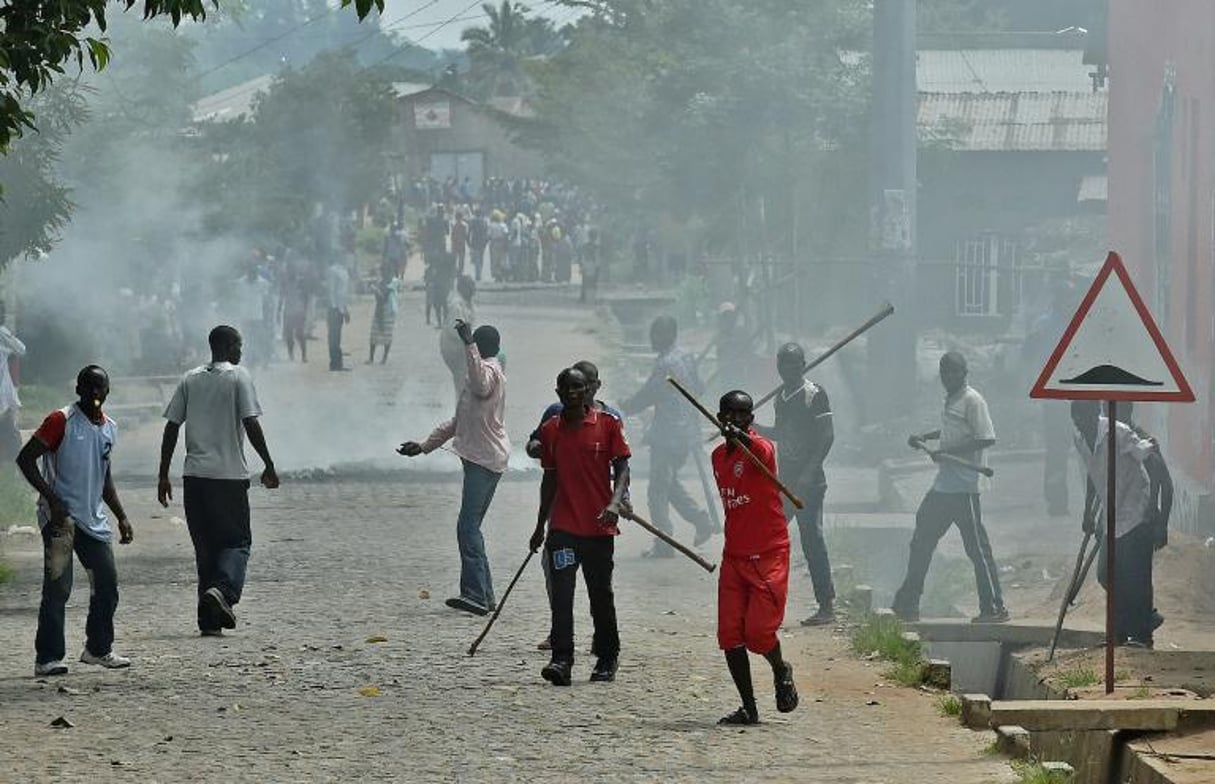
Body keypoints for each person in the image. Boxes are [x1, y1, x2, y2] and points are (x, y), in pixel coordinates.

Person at [158, 326, 280, 636]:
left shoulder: (190, 378)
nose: (241, 350)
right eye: (238, 344)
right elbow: (250, 422)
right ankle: (222, 592)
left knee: (206, 548)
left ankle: (208, 620)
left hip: (194, 478)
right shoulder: (239, 376)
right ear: (226, 345)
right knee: (237, 543)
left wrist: (163, 473)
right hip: (228, 478)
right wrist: (268, 463)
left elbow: (171, 426)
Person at [19, 366, 134, 676]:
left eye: (101, 388)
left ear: (108, 391)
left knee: (107, 586)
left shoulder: (109, 427)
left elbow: (104, 476)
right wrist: (52, 499)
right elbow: (25, 458)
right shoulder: (61, 421)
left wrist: (121, 515)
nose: (96, 394)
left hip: (93, 522)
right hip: (60, 521)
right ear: (79, 390)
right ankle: (48, 658)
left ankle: (98, 649)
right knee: (58, 588)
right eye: (90, 388)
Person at [529, 366, 631, 686]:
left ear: (589, 390)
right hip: (563, 529)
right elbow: (550, 478)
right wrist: (539, 526)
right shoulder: (550, 430)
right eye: (567, 388)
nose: (573, 393)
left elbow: (623, 467)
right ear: (558, 392)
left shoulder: (609, 425)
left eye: (579, 388)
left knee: (600, 594)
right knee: (562, 593)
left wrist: (615, 503)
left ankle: (607, 656)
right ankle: (562, 659)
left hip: (599, 528)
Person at [398, 322, 508, 616]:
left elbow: (482, 383)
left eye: (473, 345)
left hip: (484, 460)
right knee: (471, 528)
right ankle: (485, 595)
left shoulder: (490, 373)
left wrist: (468, 343)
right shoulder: (477, 379)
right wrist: (423, 446)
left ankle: (475, 594)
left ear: (481, 347)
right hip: (483, 459)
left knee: (467, 528)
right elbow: (456, 423)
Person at [891, 352, 1007, 623]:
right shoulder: (952, 400)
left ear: (964, 373)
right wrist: (925, 437)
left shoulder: (973, 400)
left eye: (954, 373)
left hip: (965, 487)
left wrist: (949, 451)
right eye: (945, 373)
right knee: (921, 539)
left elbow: (986, 438)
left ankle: (994, 608)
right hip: (944, 486)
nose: (949, 378)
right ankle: (908, 601)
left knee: (977, 549)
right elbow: (951, 432)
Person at [711, 390, 799, 725]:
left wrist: (744, 438)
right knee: (730, 635)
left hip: (768, 554)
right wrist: (734, 440)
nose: (735, 419)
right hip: (734, 556)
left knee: (759, 633)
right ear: (720, 417)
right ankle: (748, 706)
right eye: (729, 414)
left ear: (751, 419)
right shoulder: (718, 457)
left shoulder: (762, 449)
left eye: (743, 414)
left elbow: (760, 452)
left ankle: (781, 668)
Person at [1071, 400, 1172, 648]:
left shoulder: (1121, 432)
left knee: (1136, 576)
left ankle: (1141, 635)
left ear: (1097, 414)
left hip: (1137, 512)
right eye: (1078, 420)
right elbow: (1094, 473)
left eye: (1086, 418)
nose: (1083, 424)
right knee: (1107, 573)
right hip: (1112, 516)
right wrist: (1088, 512)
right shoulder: (1081, 439)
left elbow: (1155, 467)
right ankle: (1134, 624)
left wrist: (1157, 515)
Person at [754, 343, 837, 627]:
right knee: (769, 535)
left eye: (793, 363)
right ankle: (763, 600)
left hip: (810, 484)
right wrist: (753, 428)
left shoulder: (814, 395)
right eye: (783, 363)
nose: (787, 368)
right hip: (786, 481)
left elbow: (827, 436)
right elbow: (781, 433)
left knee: (812, 539)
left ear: (803, 364)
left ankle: (826, 605)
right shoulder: (782, 397)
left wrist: (809, 472)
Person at [622, 315, 717, 556]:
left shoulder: (666, 364)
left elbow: (649, 394)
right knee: (668, 484)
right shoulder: (686, 357)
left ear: (668, 335)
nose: (652, 339)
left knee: (657, 490)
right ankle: (701, 520)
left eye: (656, 334)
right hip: (686, 433)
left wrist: (627, 406)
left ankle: (664, 543)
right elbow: (701, 388)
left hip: (669, 434)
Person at [440, 276, 477, 399]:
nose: (474, 290)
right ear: (463, 289)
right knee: (462, 380)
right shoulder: (457, 306)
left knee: (464, 381)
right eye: (471, 287)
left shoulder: (467, 303)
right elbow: (455, 331)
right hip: (453, 347)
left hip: (459, 346)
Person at [0, 300, 26, 461]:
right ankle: (14, 464)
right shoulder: (2, 332)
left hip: (3, 392)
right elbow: (21, 349)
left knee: (8, 428)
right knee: (8, 429)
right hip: (3, 393)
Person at [368, 267, 400, 364]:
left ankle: (384, 358)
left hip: (388, 310)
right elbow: (379, 297)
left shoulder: (394, 282)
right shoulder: (381, 281)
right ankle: (371, 358)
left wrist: (375, 289)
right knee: (374, 335)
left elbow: (383, 296)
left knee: (386, 335)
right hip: (379, 309)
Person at [325, 256, 351, 371]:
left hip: (340, 308)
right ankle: (334, 363)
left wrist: (345, 310)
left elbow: (343, 294)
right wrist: (334, 307)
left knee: (337, 337)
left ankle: (337, 363)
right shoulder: (333, 270)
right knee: (333, 337)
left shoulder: (344, 271)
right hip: (334, 309)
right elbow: (331, 291)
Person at [468, 208, 489, 282]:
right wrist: (487, 240)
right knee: (481, 257)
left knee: (477, 258)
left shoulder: (473, 221)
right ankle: (479, 272)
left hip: (475, 240)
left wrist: (468, 241)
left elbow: (469, 231)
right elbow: (487, 232)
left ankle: (478, 274)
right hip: (482, 241)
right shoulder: (484, 221)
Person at [450, 210, 469, 276]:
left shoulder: (453, 225)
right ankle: (460, 272)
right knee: (461, 259)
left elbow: (452, 235)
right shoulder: (464, 225)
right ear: (462, 217)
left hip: (455, 244)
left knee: (454, 259)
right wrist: (468, 243)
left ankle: (454, 271)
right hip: (461, 244)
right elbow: (466, 235)